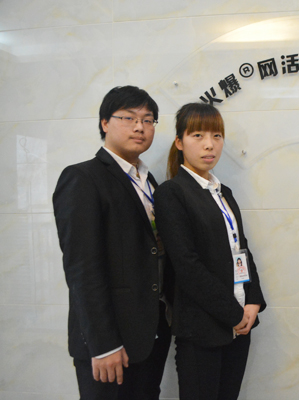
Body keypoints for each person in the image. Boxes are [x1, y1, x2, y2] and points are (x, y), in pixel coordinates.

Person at [53, 86, 171, 399]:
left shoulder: (148, 181)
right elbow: (82, 269)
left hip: (150, 333)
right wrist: (104, 344)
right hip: (110, 343)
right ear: (105, 122)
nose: (139, 127)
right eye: (128, 118)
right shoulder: (83, 178)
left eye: (148, 120)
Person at [154, 102, 266, 400]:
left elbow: (241, 249)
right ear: (179, 142)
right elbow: (187, 266)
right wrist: (233, 313)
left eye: (216, 136)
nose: (209, 145)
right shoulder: (172, 193)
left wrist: (253, 301)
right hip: (201, 330)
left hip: (239, 326)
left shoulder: (223, 192)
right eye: (198, 136)